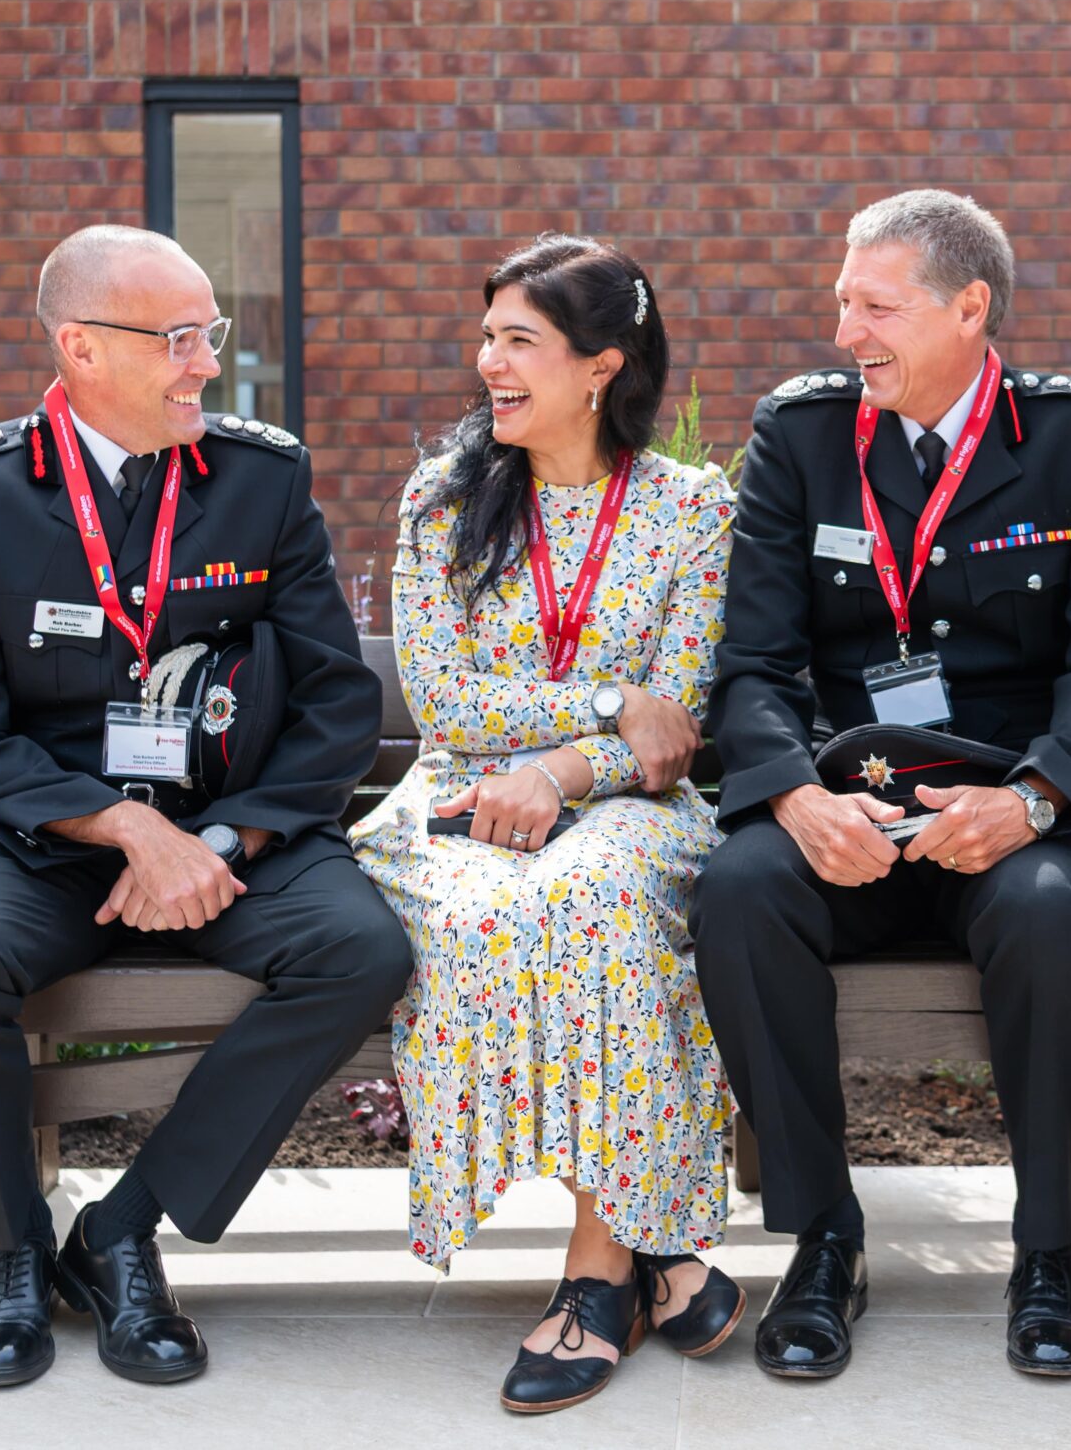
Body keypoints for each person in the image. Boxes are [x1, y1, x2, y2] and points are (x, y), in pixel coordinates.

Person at [0, 225, 413, 1389]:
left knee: (359, 947)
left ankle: (123, 1227)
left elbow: (336, 701)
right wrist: (124, 826)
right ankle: (17, 1252)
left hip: (232, 836)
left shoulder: (261, 476)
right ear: (79, 347)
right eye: (178, 338)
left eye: (208, 333)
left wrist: (225, 836)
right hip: (46, 843)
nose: (205, 363)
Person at [693, 189, 1071, 1381]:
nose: (846, 331)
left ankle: (1051, 1249)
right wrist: (793, 795)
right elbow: (753, 663)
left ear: (970, 307)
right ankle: (820, 1238)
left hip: (1016, 811)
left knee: (1052, 911)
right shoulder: (802, 435)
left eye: (875, 305)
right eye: (841, 302)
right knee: (743, 886)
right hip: (850, 807)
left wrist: (1036, 802)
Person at [348, 235, 745, 1415]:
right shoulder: (441, 497)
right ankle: (657, 1244)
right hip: (459, 796)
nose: (488, 364)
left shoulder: (689, 509)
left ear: (598, 366)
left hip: (630, 805)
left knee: (599, 896)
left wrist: (573, 763)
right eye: (486, 337)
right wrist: (609, 699)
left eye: (517, 340)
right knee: (493, 909)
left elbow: (685, 718)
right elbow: (447, 699)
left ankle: (595, 1272)